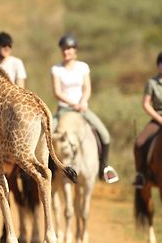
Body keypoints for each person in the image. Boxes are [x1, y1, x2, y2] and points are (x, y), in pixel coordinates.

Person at [50, 34, 118, 184]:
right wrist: (72, 103)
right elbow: (57, 92)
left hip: (82, 108)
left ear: (75, 50)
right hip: (64, 110)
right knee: (47, 136)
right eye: (64, 48)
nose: (66, 51)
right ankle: (50, 171)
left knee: (105, 135)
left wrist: (82, 102)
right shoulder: (56, 69)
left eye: (69, 48)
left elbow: (87, 88)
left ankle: (104, 168)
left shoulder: (83, 67)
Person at [133, 51, 162, 189]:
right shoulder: (152, 83)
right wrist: (159, 119)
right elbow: (146, 104)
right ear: (158, 65)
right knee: (139, 143)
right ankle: (141, 175)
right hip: (158, 118)